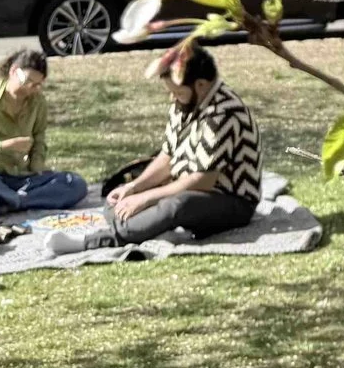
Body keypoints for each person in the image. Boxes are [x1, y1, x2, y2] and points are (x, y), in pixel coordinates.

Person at [47, 44, 265, 252]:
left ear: (200, 84)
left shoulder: (224, 113)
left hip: (231, 200)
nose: (173, 98)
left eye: (178, 92)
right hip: (184, 185)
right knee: (121, 196)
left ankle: (95, 240)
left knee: (178, 204)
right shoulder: (187, 101)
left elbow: (203, 181)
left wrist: (147, 198)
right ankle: (150, 228)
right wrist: (134, 188)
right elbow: (167, 156)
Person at [0, 46, 89, 215]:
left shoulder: (38, 101)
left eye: (37, 85)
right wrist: (6, 146)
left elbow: (39, 139)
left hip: (25, 179)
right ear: (13, 72)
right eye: (28, 82)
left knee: (75, 182)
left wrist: (37, 165)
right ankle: (22, 200)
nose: (31, 89)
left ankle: (16, 202)